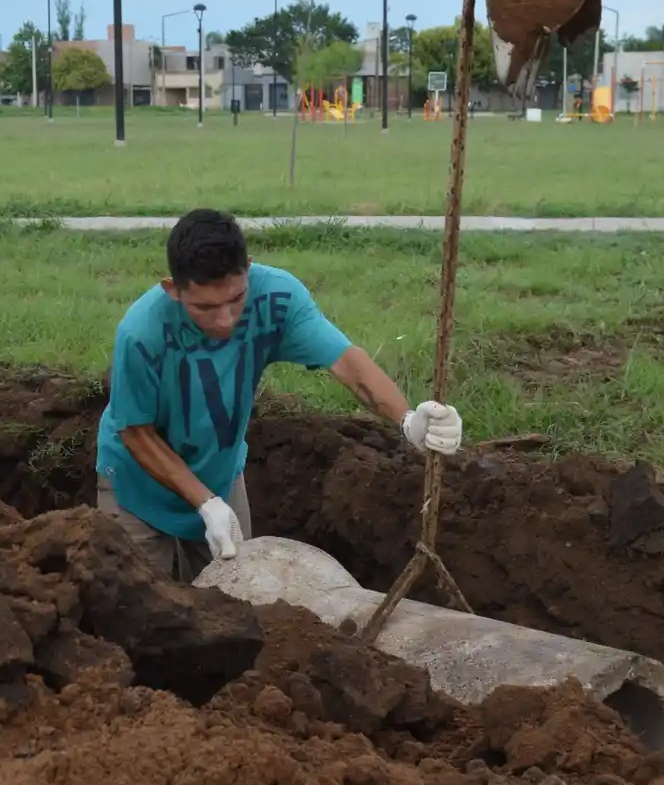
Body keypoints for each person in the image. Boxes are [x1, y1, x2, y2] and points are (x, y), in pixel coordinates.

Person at [95, 207, 464, 582]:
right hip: (137, 488)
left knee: (232, 603)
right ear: (172, 290)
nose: (225, 319)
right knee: (136, 607)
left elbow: (346, 363)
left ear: (249, 269)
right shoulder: (142, 332)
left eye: (235, 299)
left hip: (220, 474)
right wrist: (204, 504)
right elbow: (135, 432)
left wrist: (406, 419)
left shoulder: (277, 299)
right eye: (205, 307)